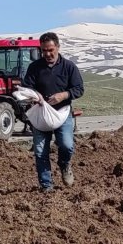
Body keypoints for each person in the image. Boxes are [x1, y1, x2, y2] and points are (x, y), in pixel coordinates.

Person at [22, 32, 84, 193]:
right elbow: (26, 87)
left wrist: (64, 95)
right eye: (44, 51)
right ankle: (46, 186)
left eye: (50, 50)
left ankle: (64, 164)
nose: (47, 54)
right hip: (41, 115)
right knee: (40, 150)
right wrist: (35, 96)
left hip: (62, 113)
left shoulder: (69, 67)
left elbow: (79, 89)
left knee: (67, 145)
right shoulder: (35, 67)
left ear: (57, 47)